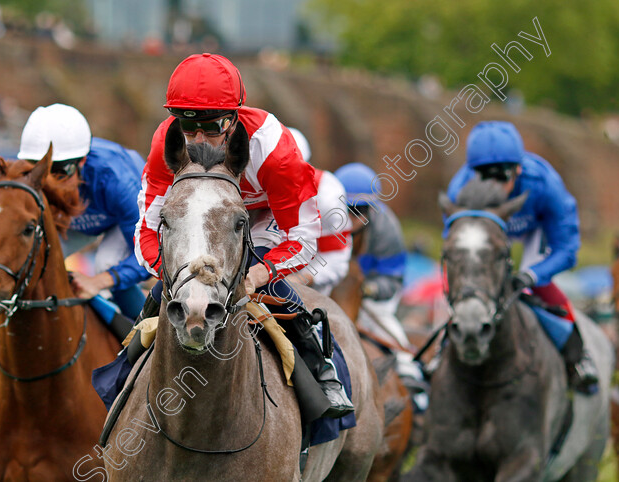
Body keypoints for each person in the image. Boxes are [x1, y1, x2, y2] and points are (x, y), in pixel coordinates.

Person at [132, 53, 352, 419]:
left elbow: (304, 238)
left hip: (268, 220)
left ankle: (321, 369)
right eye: (188, 126)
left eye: (214, 126)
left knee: (272, 290)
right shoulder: (165, 144)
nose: (200, 139)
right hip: (204, 218)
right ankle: (124, 373)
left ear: (235, 116)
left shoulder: (274, 149)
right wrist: (171, 275)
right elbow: (147, 228)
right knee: (160, 293)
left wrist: (258, 274)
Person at [0, 104, 149, 383]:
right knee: (28, 257)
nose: (48, 180)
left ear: (82, 162)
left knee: (106, 263)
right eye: (41, 170)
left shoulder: (115, 178)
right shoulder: (33, 175)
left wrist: (102, 280)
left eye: (60, 171)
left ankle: (152, 346)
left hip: (123, 221)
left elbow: (151, 253)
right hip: (75, 223)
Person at [446, 120, 598, 393]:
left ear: (518, 169)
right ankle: (442, 349)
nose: (492, 186)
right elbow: (454, 248)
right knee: (465, 279)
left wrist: (532, 274)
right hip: (486, 232)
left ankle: (578, 354)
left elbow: (567, 249)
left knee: (535, 283)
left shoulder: (544, 185)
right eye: (484, 176)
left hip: (534, 231)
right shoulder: (460, 190)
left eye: (501, 176)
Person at [334, 163, 423, 387]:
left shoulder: (386, 229)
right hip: (333, 289)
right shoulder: (325, 221)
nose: (352, 217)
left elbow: (392, 281)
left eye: (360, 210)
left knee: (383, 320)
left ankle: (408, 370)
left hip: (372, 298)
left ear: (372, 209)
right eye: (347, 208)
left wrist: (367, 290)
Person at [287, 127, 351, 296]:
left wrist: (303, 278)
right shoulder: (246, 184)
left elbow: (336, 259)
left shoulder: (326, 194)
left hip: (307, 291)